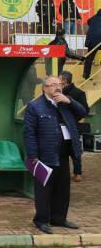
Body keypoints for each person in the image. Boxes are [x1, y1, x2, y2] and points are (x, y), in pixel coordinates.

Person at [23, 76, 86, 234]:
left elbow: (83, 111)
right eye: (53, 85)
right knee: (44, 190)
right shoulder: (35, 106)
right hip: (44, 155)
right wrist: (33, 156)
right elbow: (29, 133)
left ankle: (59, 218)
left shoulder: (66, 103)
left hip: (64, 154)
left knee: (63, 188)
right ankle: (42, 220)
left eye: (59, 85)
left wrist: (69, 101)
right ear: (45, 88)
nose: (57, 88)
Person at [59, 71, 89, 182]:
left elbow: (84, 110)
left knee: (74, 150)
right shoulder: (57, 92)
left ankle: (77, 172)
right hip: (59, 126)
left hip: (72, 126)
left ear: (64, 80)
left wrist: (72, 119)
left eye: (59, 79)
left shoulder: (79, 93)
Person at [83, 9, 101, 79]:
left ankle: (86, 74)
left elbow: (88, 21)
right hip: (99, 40)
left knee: (89, 58)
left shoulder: (94, 17)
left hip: (91, 40)